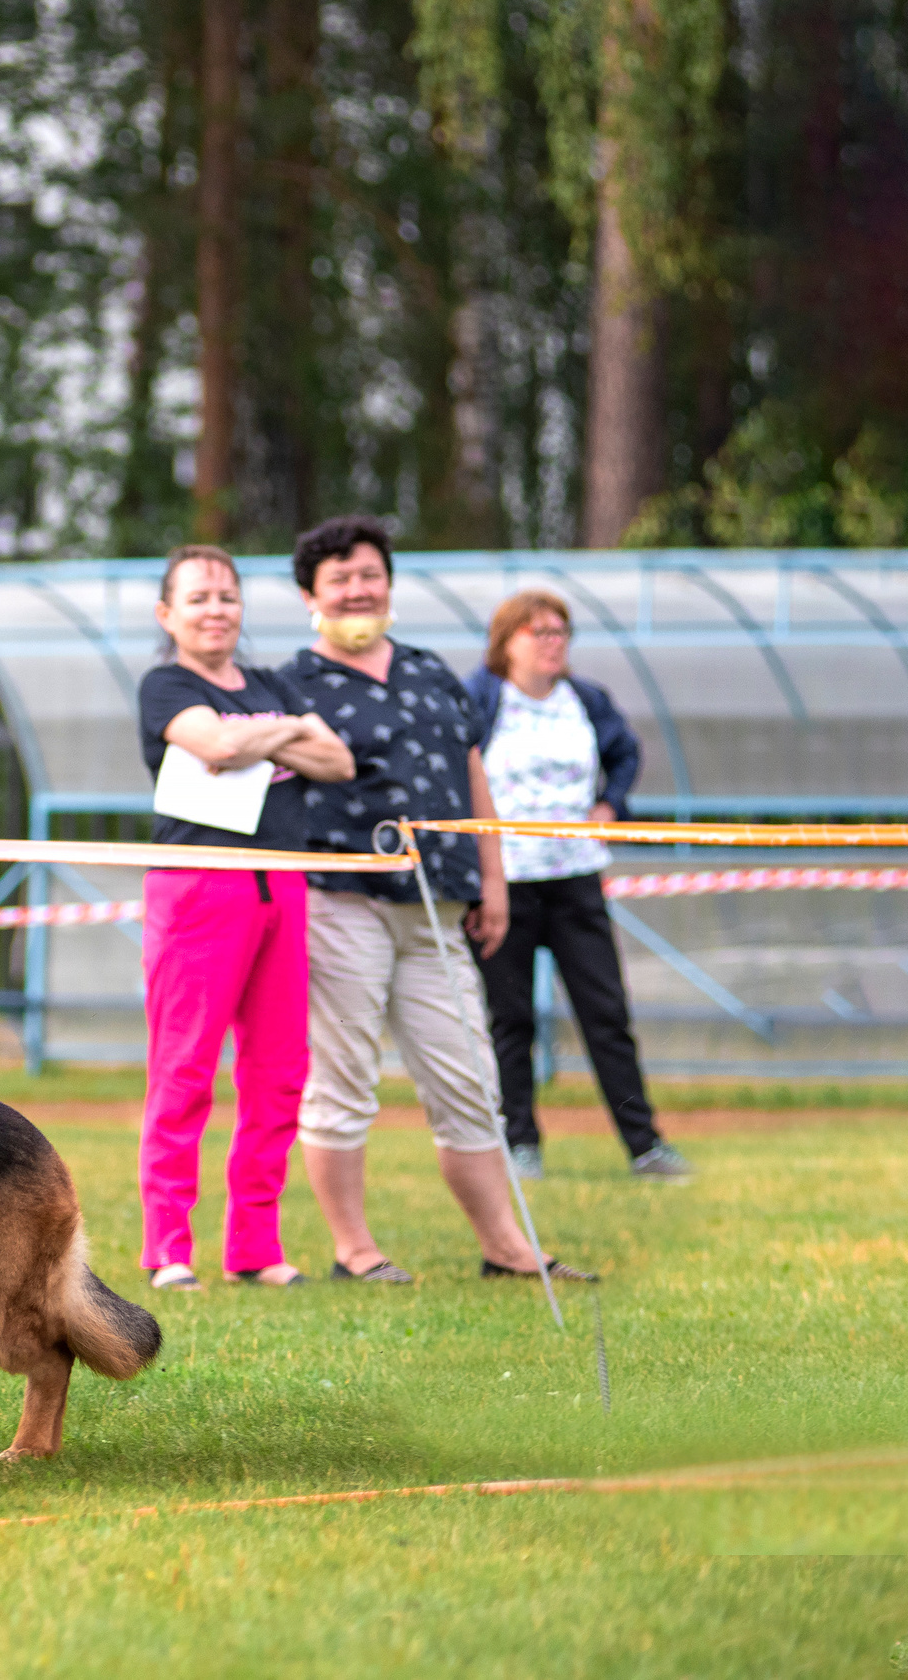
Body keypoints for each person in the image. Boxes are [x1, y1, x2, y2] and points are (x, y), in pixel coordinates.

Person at [274, 516, 597, 1286]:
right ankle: (357, 1251)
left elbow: (474, 777)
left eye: (370, 574)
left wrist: (494, 881)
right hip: (339, 899)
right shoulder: (288, 683)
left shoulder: (432, 673)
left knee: (469, 1079)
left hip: (440, 905)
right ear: (311, 595)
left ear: (389, 582)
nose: (359, 589)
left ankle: (509, 1248)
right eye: (340, 578)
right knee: (344, 1077)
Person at [136, 544, 355, 1290]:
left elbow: (339, 760)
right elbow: (218, 745)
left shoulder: (272, 681)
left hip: (283, 888)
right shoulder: (164, 684)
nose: (216, 609)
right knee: (185, 1069)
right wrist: (285, 730)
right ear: (168, 614)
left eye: (227, 595)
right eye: (198, 597)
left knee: (280, 1072)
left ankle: (254, 1245)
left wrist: (264, 731)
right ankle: (168, 1245)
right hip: (200, 889)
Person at [466, 591, 693, 1182]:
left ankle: (644, 1145)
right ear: (506, 640)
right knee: (509, 1019)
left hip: (575, 878)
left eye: (561, 631)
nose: (553, 642)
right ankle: (519, 1144)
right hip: (506, 882)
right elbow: (454, 766)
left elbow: (625, 753)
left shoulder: (585, 699)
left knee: (605, 1014)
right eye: (538, 631)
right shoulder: (482, 698)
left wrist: (610, 803)